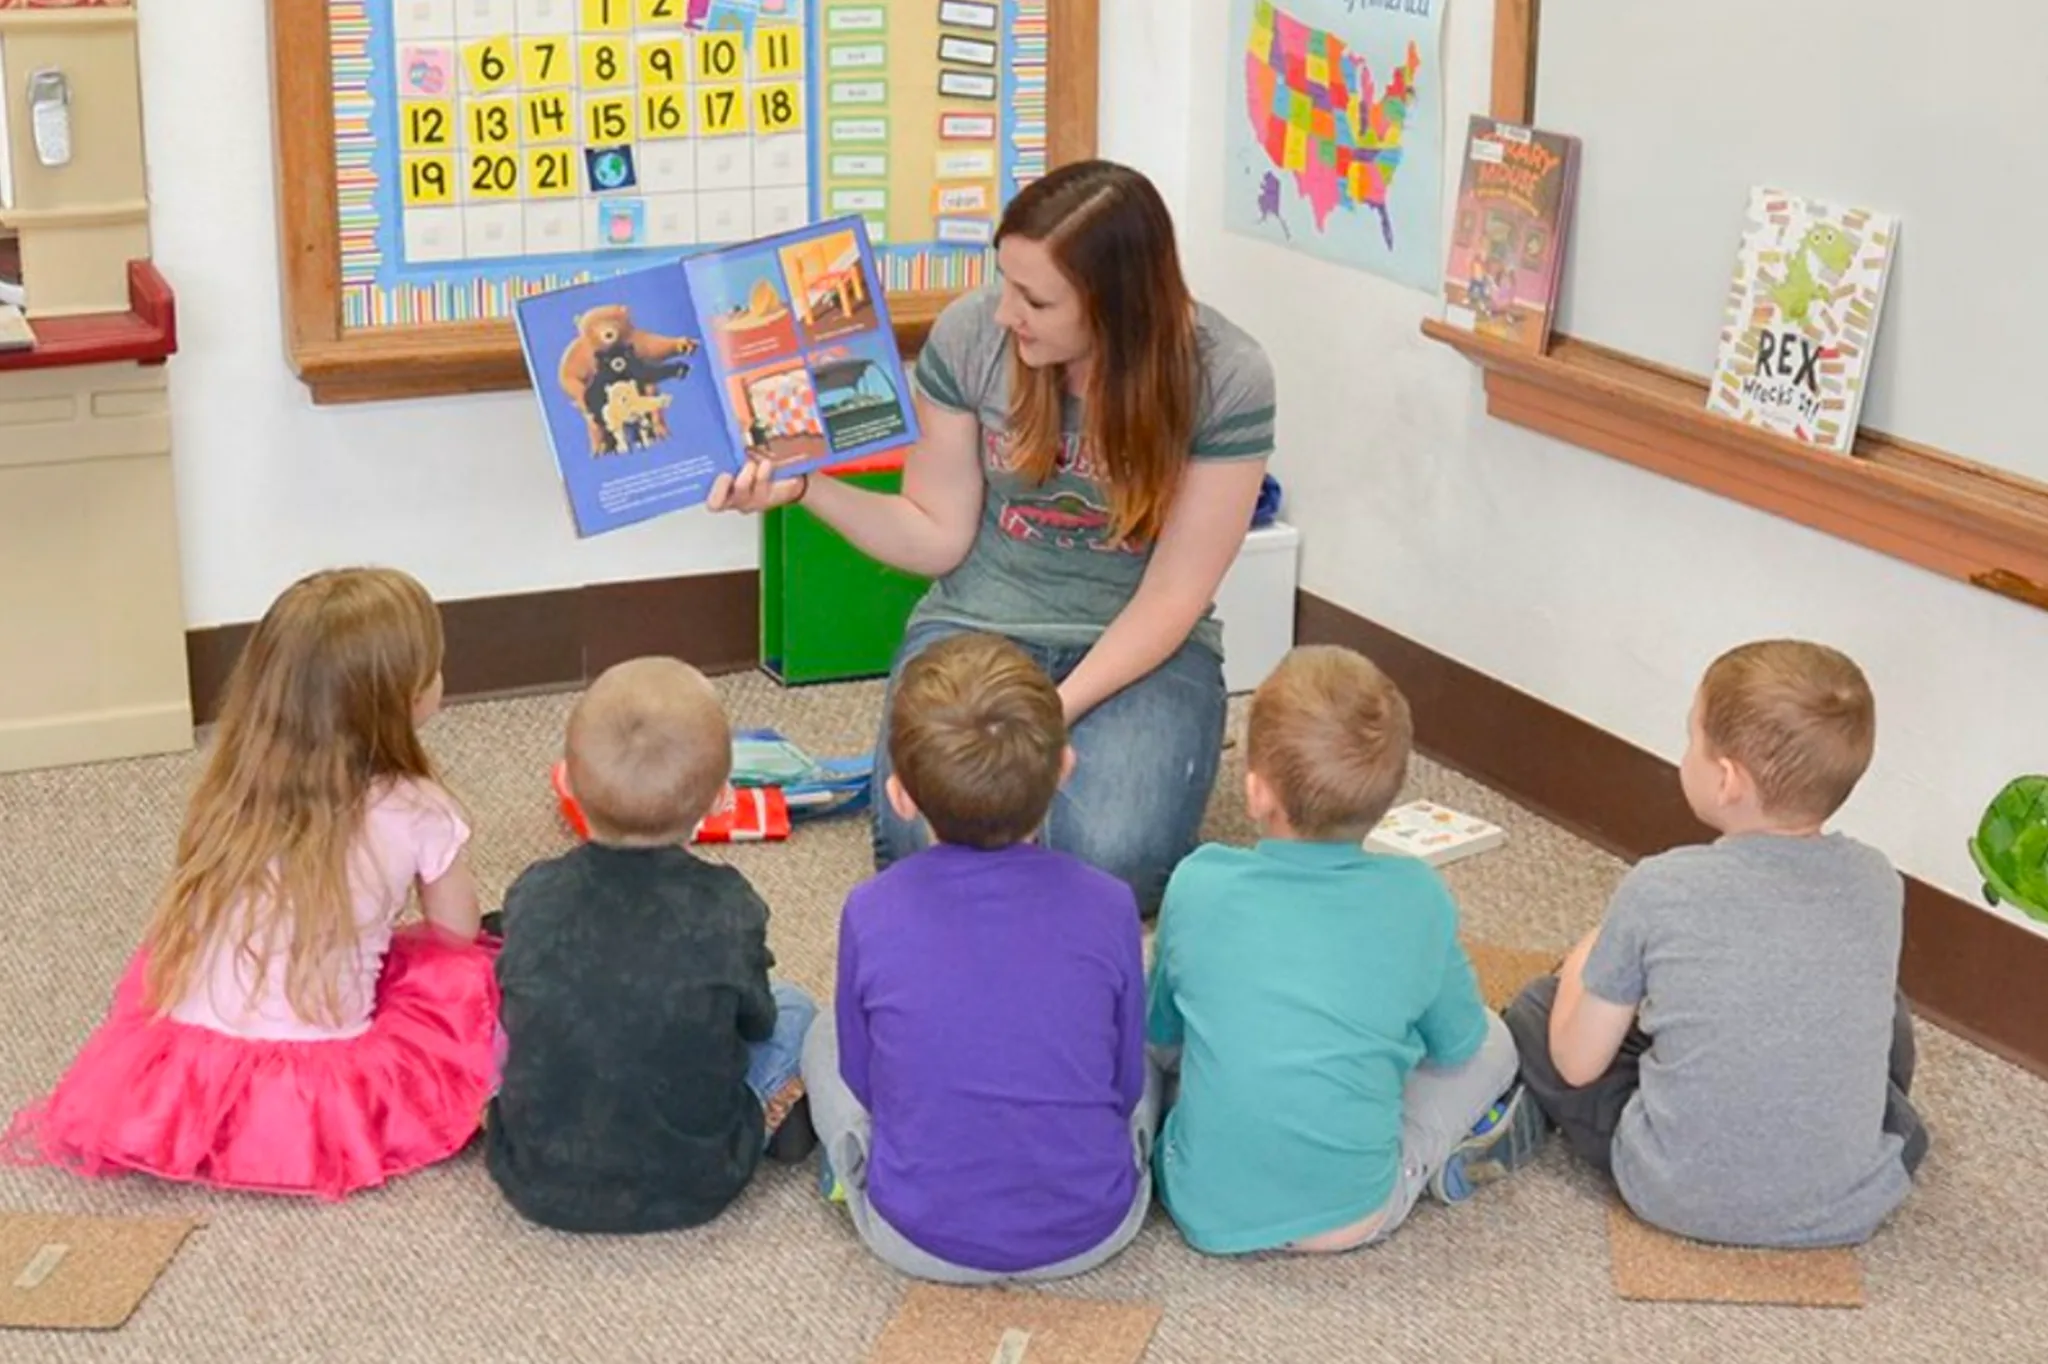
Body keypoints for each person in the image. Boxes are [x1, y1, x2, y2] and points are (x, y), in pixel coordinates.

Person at [709, 159, 1275, 916]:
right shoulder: (973, 334)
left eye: (1035, 298)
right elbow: (935, 538)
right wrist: (807, 489)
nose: (1007, 311)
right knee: (919, 845)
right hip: (978, 623)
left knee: (1116, 868)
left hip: (1139, 646)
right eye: (1004, 281)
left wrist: (1047, 717)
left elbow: (1175, 595)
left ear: (1117, 305)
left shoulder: (1227, 375)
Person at [2, 568, 499, 1200]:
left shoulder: (232, 788)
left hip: (186, 1063)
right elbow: (455, 933)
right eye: (432, 669)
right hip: (323, 1074)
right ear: (404, 700)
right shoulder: (419, 807)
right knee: (468, 971)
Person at [1504, 639, 1928, 1248]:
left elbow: (1577, 1062)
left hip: (1674, 1193)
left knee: (1537, 1011)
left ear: (1728, 779)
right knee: (1888, 1009)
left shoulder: (1661, 885)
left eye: (1690, 739)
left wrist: (1585, 960)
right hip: (1850, 1201)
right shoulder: (1879, 880)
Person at [1146, 646, 1546, 1255]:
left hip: (1202, 1200)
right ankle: (1420, 1158)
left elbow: (1162, 1036)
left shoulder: (1199, 881)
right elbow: (1459, 1042)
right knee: (1496, 1039)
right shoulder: (1418, 895)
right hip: (1352, 1215)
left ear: (1255, 793)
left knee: (1151, 971)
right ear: (1387, 799)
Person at [800, 633, 1155, 1282]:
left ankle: (850, 1172)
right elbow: (1126, 1081)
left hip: (915, 1236)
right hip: (1094, 1230)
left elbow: (864, 1079)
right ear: (1065, 769)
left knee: (822, 1031)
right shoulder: (1111, 905)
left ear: (898, 796)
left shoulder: (870, 909)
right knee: (1139, 1033)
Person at [485, 656, 817, 1234]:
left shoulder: (532, 892)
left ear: (571, 786)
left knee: (510, 1010)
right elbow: (758, 1023)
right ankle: (771, 1116)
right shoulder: (727, 905)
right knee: (797, 1011)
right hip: (700, 1178)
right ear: (720, 800)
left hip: (531, 1175)